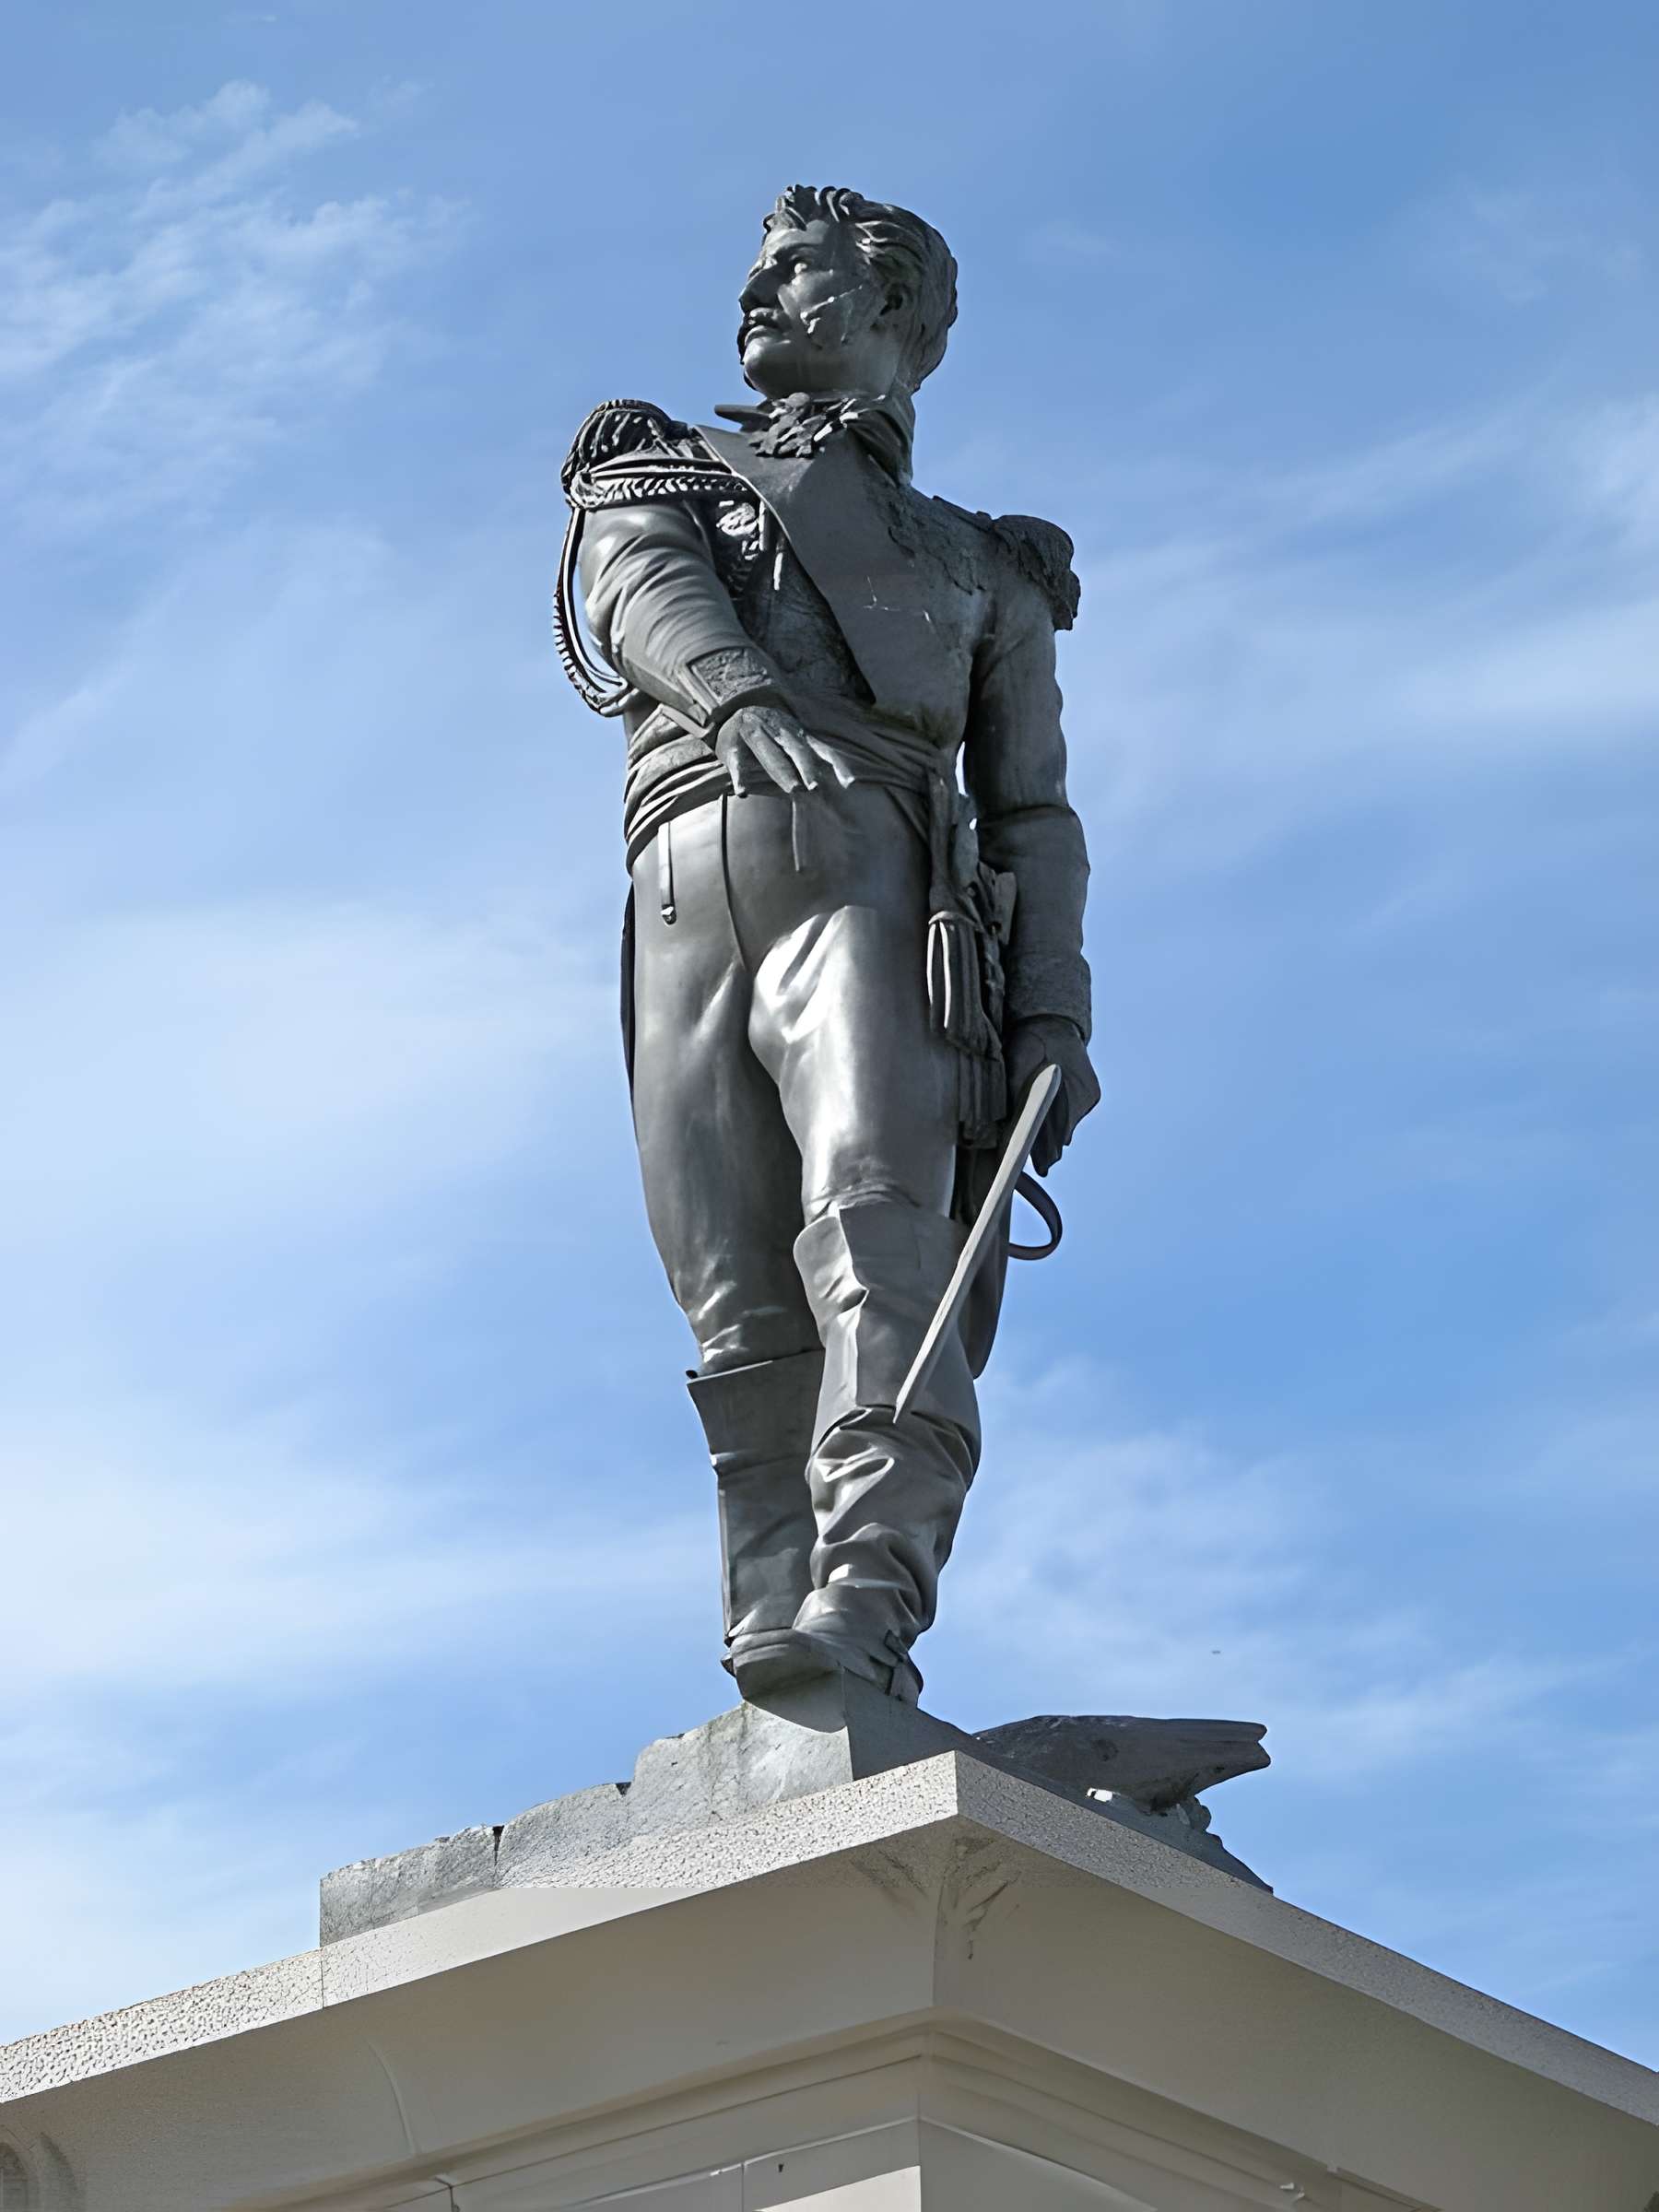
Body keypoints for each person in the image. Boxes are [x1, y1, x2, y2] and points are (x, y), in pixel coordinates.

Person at [556, 184, 1097, 1702]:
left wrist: (1053, 1008)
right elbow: (638, 585)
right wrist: (732, 691)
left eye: (797, 267)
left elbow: (1035, 810)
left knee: (878, 1229)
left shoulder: (986, 570)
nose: (758, 287)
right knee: (729, 1282)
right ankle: (769, 1610)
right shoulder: (661, 462)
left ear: (897, 317)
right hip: (684, 883)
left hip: (880, 877)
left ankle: (867, 1591)